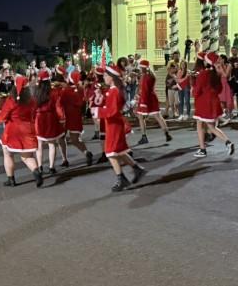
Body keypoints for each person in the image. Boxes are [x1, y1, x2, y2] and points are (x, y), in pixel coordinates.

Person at [97, 64, 145, 192]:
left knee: (110, 153)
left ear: (112, 77)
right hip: (115, 124)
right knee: (120, 151)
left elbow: (111, 111)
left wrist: (98, 112)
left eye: (106, 75)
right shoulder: (114, 90)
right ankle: (137, 169)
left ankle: (121, 178)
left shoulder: (114, 91)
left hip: (114, 125)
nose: (104, 77)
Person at [0, 75, 42, 187]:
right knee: (27, 157)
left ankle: (11, 179)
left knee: (8, 154)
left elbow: (2, 117)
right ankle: (36, 172)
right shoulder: (32, 100)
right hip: (28, 130)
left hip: (12, 131)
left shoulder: (11, 100)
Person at [192, 52, 235, 158]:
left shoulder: (204, 74)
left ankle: (202, 149)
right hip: (214, 102)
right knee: (211, 127)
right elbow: (219, 89)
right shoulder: (217, 74)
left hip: (204, 103)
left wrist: (193, 91)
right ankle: (228, 142)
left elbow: (197, 91)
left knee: (200, 125)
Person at [58, 70, 93, 166]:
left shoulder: (66, 90)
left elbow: (60, 102)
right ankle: (86, 152)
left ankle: (64, 159)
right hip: (76, 116)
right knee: (75, 140)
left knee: (61, 138)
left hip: (65, 116)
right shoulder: (80, 89)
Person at [34, 69, 65, 174]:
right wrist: (62, 119)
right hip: (51, 118)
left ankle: (40, 166)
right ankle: (51, 167)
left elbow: (33, 107)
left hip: (39, 119)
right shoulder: (54, 92)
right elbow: (58, 107)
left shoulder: (36, 92)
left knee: (39, 144)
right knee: (52, 143)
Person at [135, 59, 171, 145]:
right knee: (158, 116)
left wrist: (143, 103)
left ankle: (144, 136)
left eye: (140, 67)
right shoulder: (151, 75)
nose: (139, 68)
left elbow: (145, 91)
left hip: (145, 99)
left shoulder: (145, 77)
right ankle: (167, 134)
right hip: (152, 98)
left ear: (143, 68)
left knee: (140, 117)